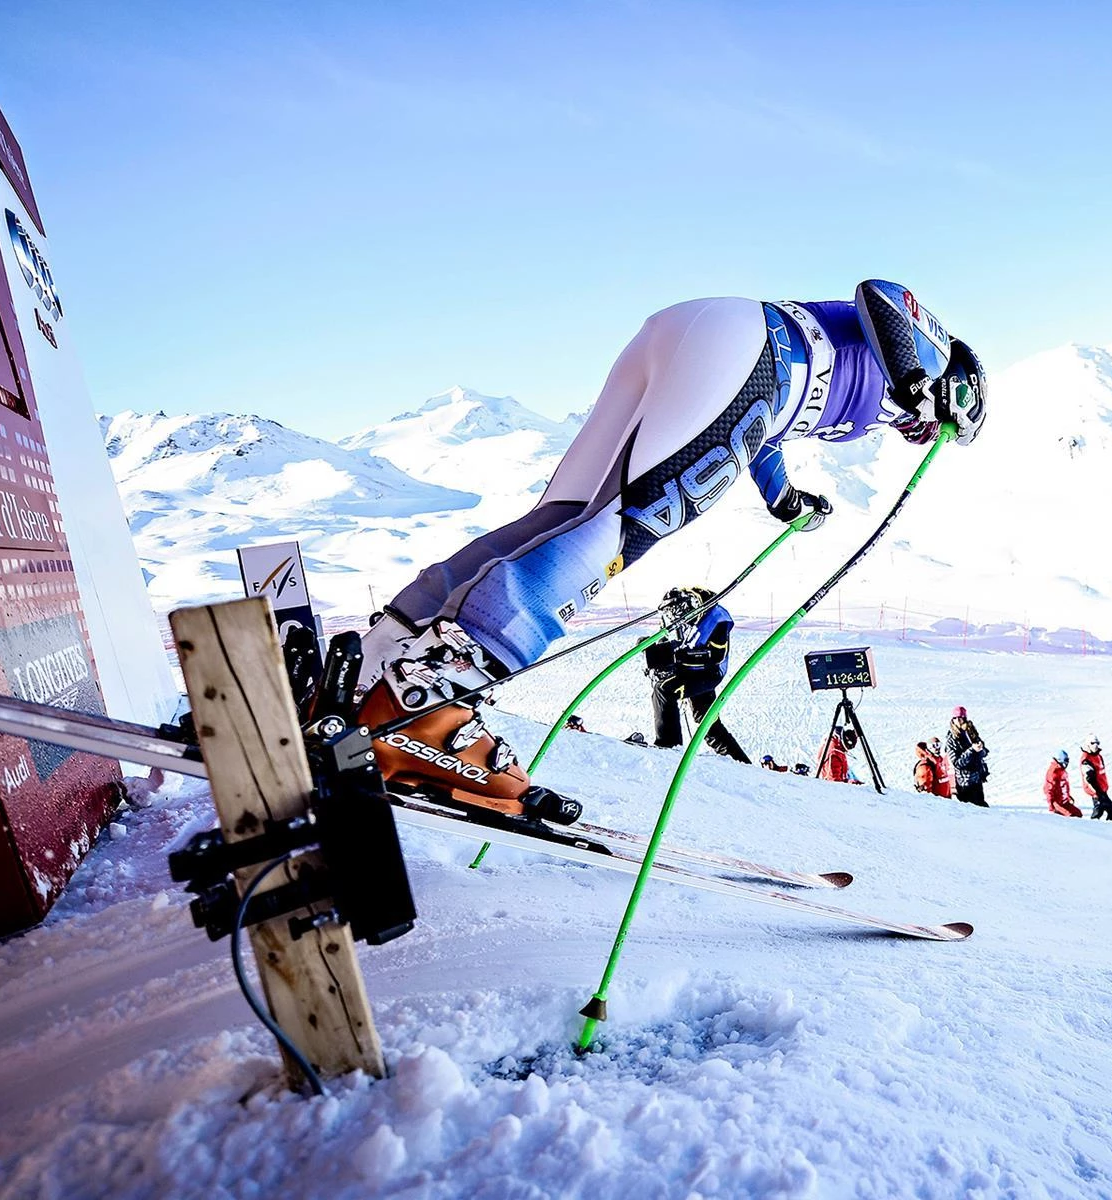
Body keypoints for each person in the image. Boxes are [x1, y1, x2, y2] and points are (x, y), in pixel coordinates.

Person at [347, 281, 986, 823]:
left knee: (566, 518)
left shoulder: (877, 390)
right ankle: (425, 709)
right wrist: (918, 380)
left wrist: (783, 495)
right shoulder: (926, 359)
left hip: (725, 349)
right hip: (753, 352)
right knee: (617, 535)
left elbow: (762, 426)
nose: (922, 432)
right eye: (945, 419)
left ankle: (381, 662)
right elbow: (878, 295)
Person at [647, 586, 748, 762]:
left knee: (664, 690)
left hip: (709, 672)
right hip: (691, 671)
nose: (673, 617)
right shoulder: (685, 619)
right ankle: (741, 762)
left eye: (676, 611)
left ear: (689, 604)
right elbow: (672, 642)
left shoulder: (715, 619)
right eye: (670, 613)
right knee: (707, 722)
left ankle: (669, 744)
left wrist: (675, 657)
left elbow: (715, 656)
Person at [946, 705, 990, 807]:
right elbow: (957, 763)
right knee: (972, 810)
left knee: (982, 807)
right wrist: (972, 750)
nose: (959, 720)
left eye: (961, 717)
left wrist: (980, 749)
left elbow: (984, 752)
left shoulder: (970, 732)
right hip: (965, 783)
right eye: (956, 718)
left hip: (977, 779)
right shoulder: (951, 739)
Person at [1080, 736, 1112, 821]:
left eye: (1097, 743)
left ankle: (1108, 830)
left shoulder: (1098, 756)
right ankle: (1091, 830)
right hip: (1096, 791)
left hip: (1102, 789)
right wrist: (1098, 793)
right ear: (1088, 744)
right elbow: (1089, 778)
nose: (1095, 745)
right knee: (1099, 811)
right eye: (1092, 743)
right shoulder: (1086, 759)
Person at [1044, 748, 1083, 818]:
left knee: (1078, 814)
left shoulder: (1062, 771)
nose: (1067, 763)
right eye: (1065, 761)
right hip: (1057, 803)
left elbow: (1064, 786)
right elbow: (1048, 790)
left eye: (1068, 760)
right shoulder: (1053, 773)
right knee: (1070, 816)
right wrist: (1051, 806)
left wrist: (1068, 796)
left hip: (1065, 801)